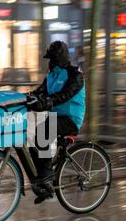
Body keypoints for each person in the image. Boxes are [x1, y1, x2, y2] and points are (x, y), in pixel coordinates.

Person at [26, 41, 86, 204]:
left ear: (61, 57)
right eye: (49, 58)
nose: (50, 61)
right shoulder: (52, 75)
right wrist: (26, 98)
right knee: (33, 139)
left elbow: (67, 94)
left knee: (43, 133)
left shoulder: (75, 74)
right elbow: (40, 91)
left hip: (71, 118)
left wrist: (48, 102)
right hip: (56, 116)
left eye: (53, 58)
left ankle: (47, 176)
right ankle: (43, 181)